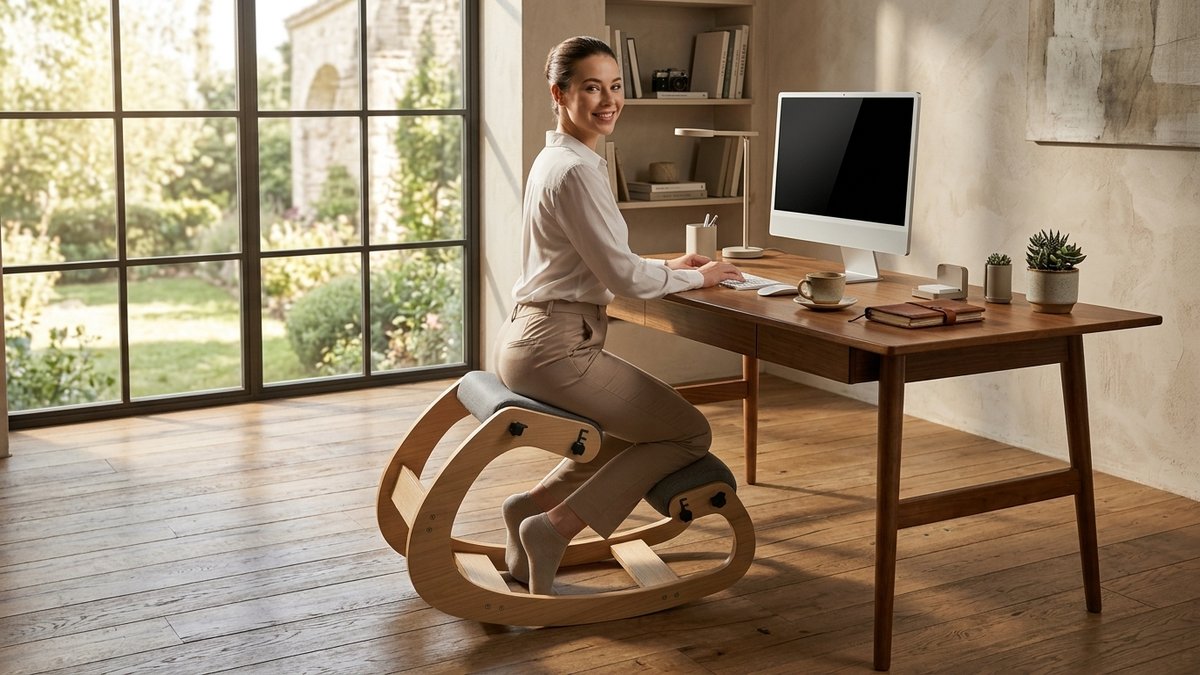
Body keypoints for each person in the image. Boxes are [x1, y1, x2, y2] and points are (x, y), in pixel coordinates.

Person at [495, 35, 745, 596]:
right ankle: (551, 528)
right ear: (559, 94)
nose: (608, 101)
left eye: (615, 86)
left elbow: (596, 256)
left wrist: (668, 264)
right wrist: (700, 277)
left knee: (632, 432)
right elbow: (624, 279)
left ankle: (529, 507)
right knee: (688, 432)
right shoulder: (579, 170)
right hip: (556, 347)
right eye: (591, 88)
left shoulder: (557, 158)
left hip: (529, 335)